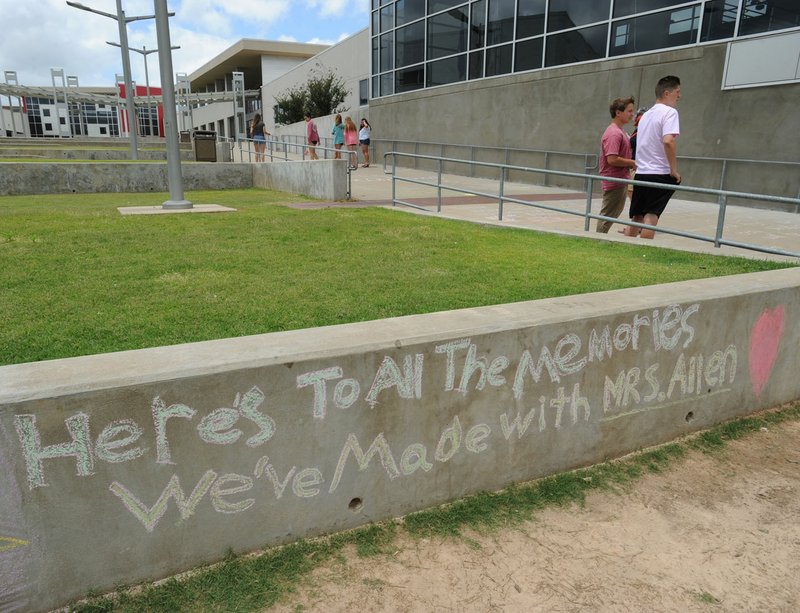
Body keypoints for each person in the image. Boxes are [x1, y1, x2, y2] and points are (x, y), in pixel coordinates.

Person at [625, 76, 682, 239]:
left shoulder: (646, 116)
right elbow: (668, 141)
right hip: (659, 173)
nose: (679, 96)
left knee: (637, 216)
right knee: (651, 215)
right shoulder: (670, 113)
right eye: (677, 92)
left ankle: (626, 248)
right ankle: (643, 251)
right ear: (667, 93)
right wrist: (674, 170)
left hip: (642, 173)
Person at [597, 96, 636, 234]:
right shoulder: (614, 133)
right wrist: (632, 162)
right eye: (629, 111)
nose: (632, 114)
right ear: (618, 113)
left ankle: (599, 238)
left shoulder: (620, 131)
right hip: (614, 181)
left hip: (619, 180)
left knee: (610, 215)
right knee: (607, 216)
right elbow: (612, 159)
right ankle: (597, 240)